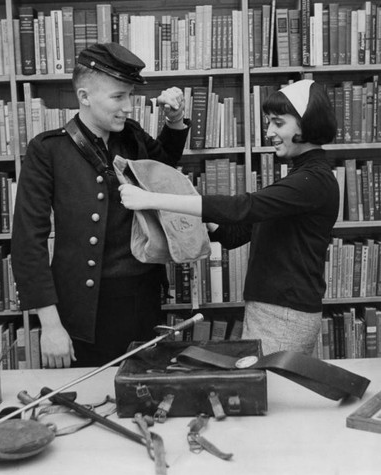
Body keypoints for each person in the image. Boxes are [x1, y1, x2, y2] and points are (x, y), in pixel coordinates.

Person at [119, 79, 339, 356]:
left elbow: (243, 207)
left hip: (285, 314)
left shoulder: (312, 180)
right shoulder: (302, 177)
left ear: (307, 124)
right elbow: (237, 233)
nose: (269, 131)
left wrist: (152, 199)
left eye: (278, 123)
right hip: (273, 308)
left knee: (270, 390)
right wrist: (189, 205)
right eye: (269, 122)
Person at [11, 42, 191, 368]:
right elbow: (28, 242)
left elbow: (164, 170)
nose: (129, 106)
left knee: (140, 395)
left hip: (142, 298)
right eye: (118, 97)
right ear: (84, 97)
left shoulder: (131, 136)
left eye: (131, 95)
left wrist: (175, 121)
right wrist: (50, 325)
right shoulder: (47, 150)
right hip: (84, 308)